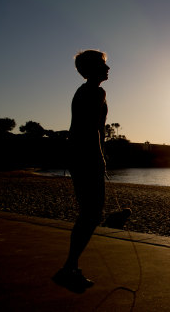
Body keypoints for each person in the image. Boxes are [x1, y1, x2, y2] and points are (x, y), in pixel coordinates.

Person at [52, 50, 110, 293]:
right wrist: (99, 159)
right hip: (85, 157)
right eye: (102, 64)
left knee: (90, 213)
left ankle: (70, 266)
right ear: (91, 68)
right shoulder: (94, 92)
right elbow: (91, 130)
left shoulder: (85, 91)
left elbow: (90, 129)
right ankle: (69, 268)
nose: (108, 68)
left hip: (79, 156)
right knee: (91, 213)